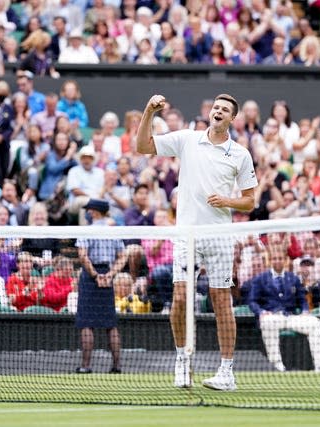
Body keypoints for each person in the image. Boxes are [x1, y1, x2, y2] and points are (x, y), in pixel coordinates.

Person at [136, 93, 258, 390]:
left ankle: (226, 372)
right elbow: (142, 146)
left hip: (219, 237)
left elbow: (250, 202)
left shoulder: (240, 154)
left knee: (221, 303)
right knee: (180, 299)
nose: (218, 111)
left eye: (225, 109)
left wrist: (226, 200)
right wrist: (149, 112)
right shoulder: (187, 139)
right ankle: (181, 362)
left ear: (232, 118)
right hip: (186, 236)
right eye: (216, 107)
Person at [248, 246, 320, 373]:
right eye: (275, 258)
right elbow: (252, 301)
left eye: (280, 258)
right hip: (271, 316)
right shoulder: (260, 279)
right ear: (270, 260)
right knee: (267, 322)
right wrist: (261, 312)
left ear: (285, 260)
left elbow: (302, 299)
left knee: (315, 322)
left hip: (290, 317)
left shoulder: (293, 278)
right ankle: (276, 365)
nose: (277, 261)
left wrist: (305, 310)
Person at [75, 199, 127, 374]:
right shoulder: (113, 232)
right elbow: (122, 257)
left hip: (92, 277)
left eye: (88, 210)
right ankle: (117, 366)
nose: (87, 213)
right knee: (110, 324)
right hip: (106, 276)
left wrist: (96, 276)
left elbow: (83, 256)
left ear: (93, 212)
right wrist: (109, 275)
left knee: (86, 323)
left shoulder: (87, 231)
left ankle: (86, 366)